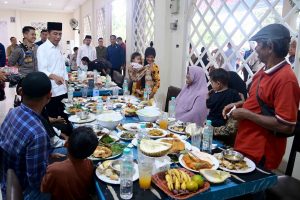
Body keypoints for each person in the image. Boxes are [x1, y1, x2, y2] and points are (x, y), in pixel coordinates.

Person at [223, 24, 300, 170]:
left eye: (258, 44)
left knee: (251, 192)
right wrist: (239, 105)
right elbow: (258, 103)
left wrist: (246, 114)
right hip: (245, 146)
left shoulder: (286, 79)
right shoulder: (264, 70)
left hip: (261, 153)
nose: (256, 48)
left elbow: (286, 126)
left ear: (270, 46)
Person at [0, 72, 52, 200]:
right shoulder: (37, 134)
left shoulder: (13, 112)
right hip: (25, 191)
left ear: (21, 92)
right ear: (49, 96)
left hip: (6, 180)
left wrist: (46, 154)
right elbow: (37, 182)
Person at [41, 126, 98, 200]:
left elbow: (44, 189)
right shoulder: (89, 164)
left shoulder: (53, 170)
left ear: (66, 143)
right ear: (90, 153)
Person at [37, 22, 69, 119]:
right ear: (48, 34)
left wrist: (66, 80)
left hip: (63, 89)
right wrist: (55, 77)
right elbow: (42, 70)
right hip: (52, 91)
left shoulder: (59, 47)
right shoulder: (42, 49)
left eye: (60, 34)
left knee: (66, 115)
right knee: (54, 118)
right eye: (55, 33)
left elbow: (62, 66)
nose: (58, 37)